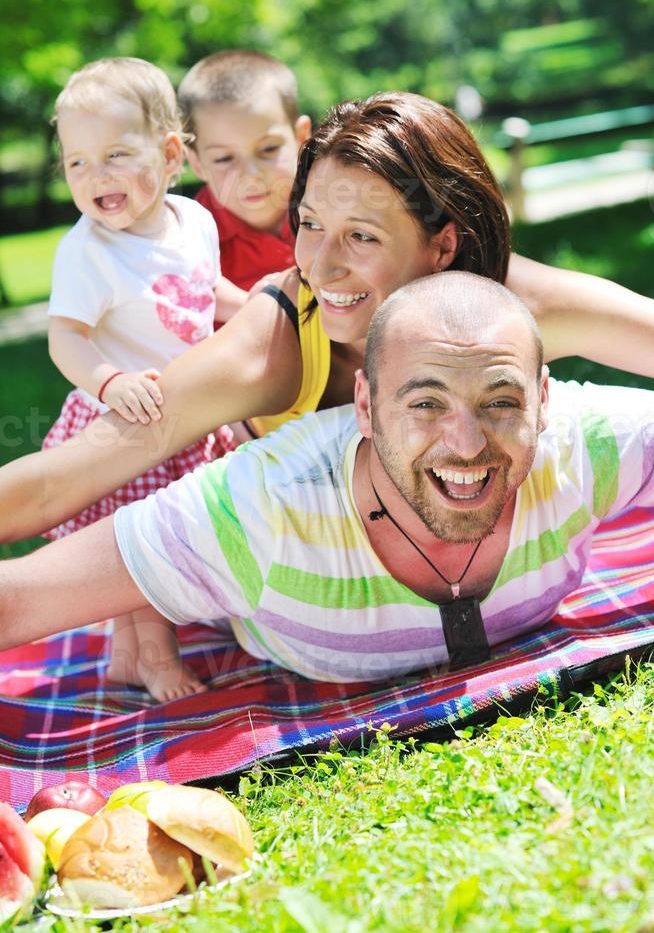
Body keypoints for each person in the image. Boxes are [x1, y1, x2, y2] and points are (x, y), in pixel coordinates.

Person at [3, 91, 654, 577]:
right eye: (310, 225)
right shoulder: (278, 337)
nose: (323, 265)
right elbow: (58, 482)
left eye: (363, 236)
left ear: (443, 245)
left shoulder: (507, 302)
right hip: (289, 584)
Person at [1, 274, 653, 686]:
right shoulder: (263, 507)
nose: (467, 444)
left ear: (542, 399)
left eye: (501, 402)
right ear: (364, 406)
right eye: (425, 404)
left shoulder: (580, 444)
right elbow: (21, 600)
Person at [41, 57, 246, 698]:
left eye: (115, 155)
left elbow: (205, 295)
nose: (94, 175)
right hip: (126, 420)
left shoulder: (196, 222)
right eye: (77, 162)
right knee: (140, 549)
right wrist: (108, 383)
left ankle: (127, 653)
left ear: (168, 155)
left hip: (188, 412)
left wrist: (264, 308)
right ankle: (156, 657)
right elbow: (64, 337)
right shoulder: (88, 250)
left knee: (157, 541)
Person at [178, 50, 311, 296]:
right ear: (196, 163)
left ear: (301, 138)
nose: (250, 175)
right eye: (224, 158)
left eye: (269, 149)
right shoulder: (187, 244)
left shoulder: (339, 212)